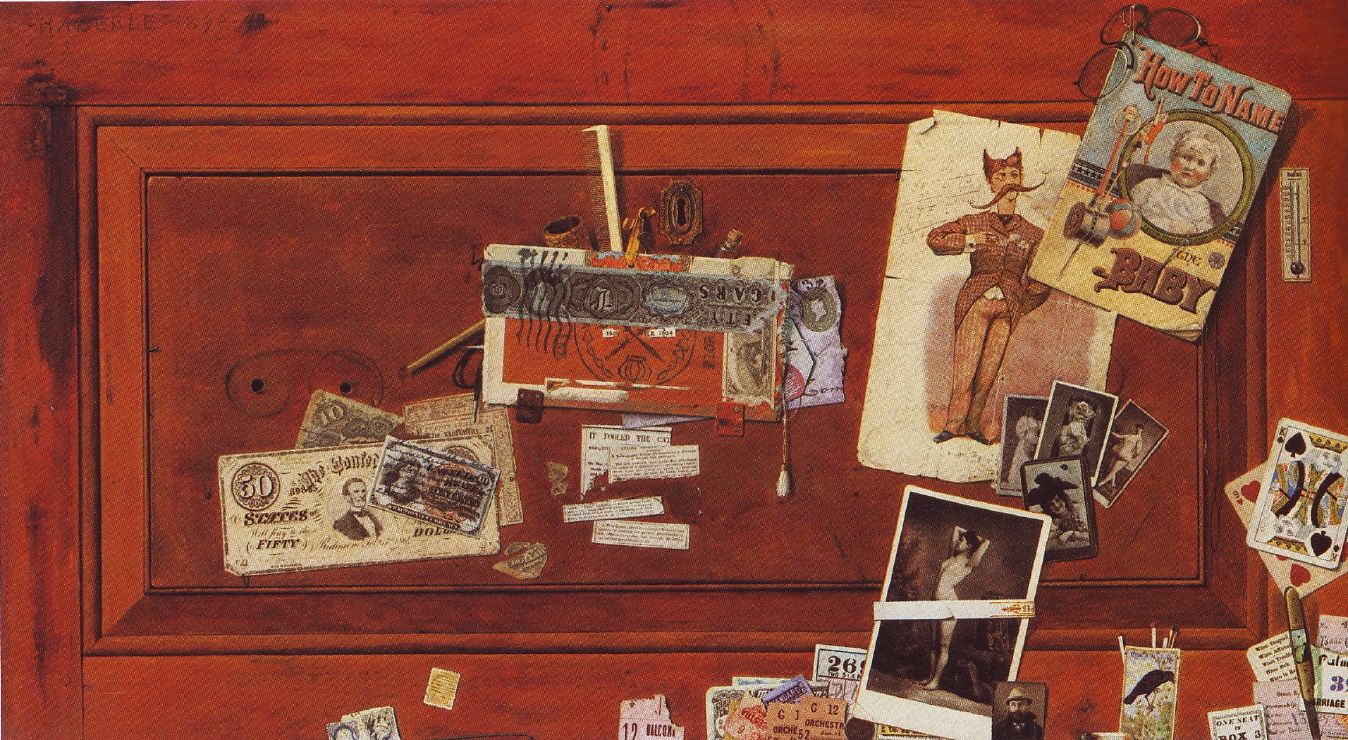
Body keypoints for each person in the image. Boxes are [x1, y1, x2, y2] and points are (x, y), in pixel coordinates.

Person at [929, 149, 1051, 445]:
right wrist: (969, 241)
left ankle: (973, 426)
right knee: (966, 370)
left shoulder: (1034, 233)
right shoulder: (974, 222)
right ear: (991, 182)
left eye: (1014, 175)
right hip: (976, 303)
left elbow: (1042, 278)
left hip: (1007, 309)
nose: (1009, 181)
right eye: (1001, 176)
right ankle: (953, 425)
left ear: (1021, 180)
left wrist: (1019, 304)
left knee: (988, 373)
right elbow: (935, 239)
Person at [924, 527, 991, 690]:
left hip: (949, 604)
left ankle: (936, 681)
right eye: (959, 539)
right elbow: (956, 529)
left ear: (969, 546)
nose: (957, 541)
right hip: (935, 602)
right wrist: (967, 536)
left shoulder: (969, 563)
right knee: (933, 644)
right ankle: (929, 678)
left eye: (961, 541)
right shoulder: (951, 558)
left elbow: (986, 542)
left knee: (943, 645)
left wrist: (974, 538)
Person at [1128, 128, 1226, 236]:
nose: (1190, 167)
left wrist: (1192, 229)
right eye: (1186, 158)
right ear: (1173, 157)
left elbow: (1205, 230)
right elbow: (1129, 210)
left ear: (1208, 174)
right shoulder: (1150, 185)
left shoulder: (1201, 203)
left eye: (1200, 163)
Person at [1097, 423, 1146, 492]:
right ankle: (1112, 484)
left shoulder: (1139, 440)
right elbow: (1119, 436)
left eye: (1140, 428)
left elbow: (1137, 451)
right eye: (1137, 427)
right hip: (1119, 454)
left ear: (1142, 430)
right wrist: (1110, 431)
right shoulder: (1130, 435)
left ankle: (1101, 483)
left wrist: (1131, 455)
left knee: (1113, 470)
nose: (1138, 429)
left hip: (1125, 457)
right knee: (1112, 468)